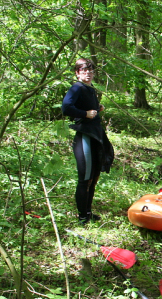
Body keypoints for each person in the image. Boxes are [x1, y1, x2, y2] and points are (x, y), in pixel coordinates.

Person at [62, 58, 114, 225]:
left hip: (95, 135)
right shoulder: (77, 87)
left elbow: (86, 107)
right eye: (84, 71)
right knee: (85, 178)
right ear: (77, 73)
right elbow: (66, 107)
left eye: (91, 71)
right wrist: (85, 114)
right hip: (84, 136)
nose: (88, 74)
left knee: (94, 176)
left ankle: (88, 213)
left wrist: (96, 110)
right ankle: (82, 217)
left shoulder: (89, 89)